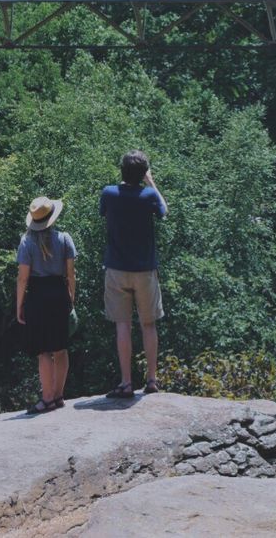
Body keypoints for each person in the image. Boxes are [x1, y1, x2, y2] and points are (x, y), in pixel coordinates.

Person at [99, 150, 169, 399]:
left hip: (117, 268)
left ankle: (126, 383)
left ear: (122, 170)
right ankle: (151, 380)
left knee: (123, 326)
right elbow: (164, 210)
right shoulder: (149, 195)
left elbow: (103, 212)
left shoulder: (109, 193)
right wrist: (151, 182)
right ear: (143, 174)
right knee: (148, 325)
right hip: (145, 270)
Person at [15, 195, 77, 414]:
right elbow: (71, 274)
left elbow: (23, 278)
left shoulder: (26, 242)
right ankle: (59, 396)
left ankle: (47, 398)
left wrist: (19, 305)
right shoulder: (65, 239)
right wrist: (71, 298)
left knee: (43, 351)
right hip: (59, 293)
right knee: (60, 348)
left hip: (37, 296)